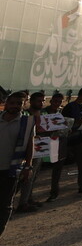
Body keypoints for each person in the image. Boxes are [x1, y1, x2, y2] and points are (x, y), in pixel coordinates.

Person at [1, 92, 34, 237]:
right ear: (6, 103)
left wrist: (28, 166)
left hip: (10, 170)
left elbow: (29, 146)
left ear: (23, 105)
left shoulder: (27, 123)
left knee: (4, 205)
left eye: (19, 104)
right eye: (12, 103)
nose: (15, 106)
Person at [57, 86, 82, 194]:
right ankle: (54, 190)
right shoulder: (70, 107)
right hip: (68, 139)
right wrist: (78, 123)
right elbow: (65, 123)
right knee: (58, 166)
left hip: (79, 138)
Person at [15, 92, 45, 212]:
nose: (41, 103)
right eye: (39, 101)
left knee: (33, 175)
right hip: (27, 149)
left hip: (40, 147)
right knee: (21, 177)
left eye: (43, 101)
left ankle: (27, 199)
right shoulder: (25, 115)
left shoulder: (44, 114)